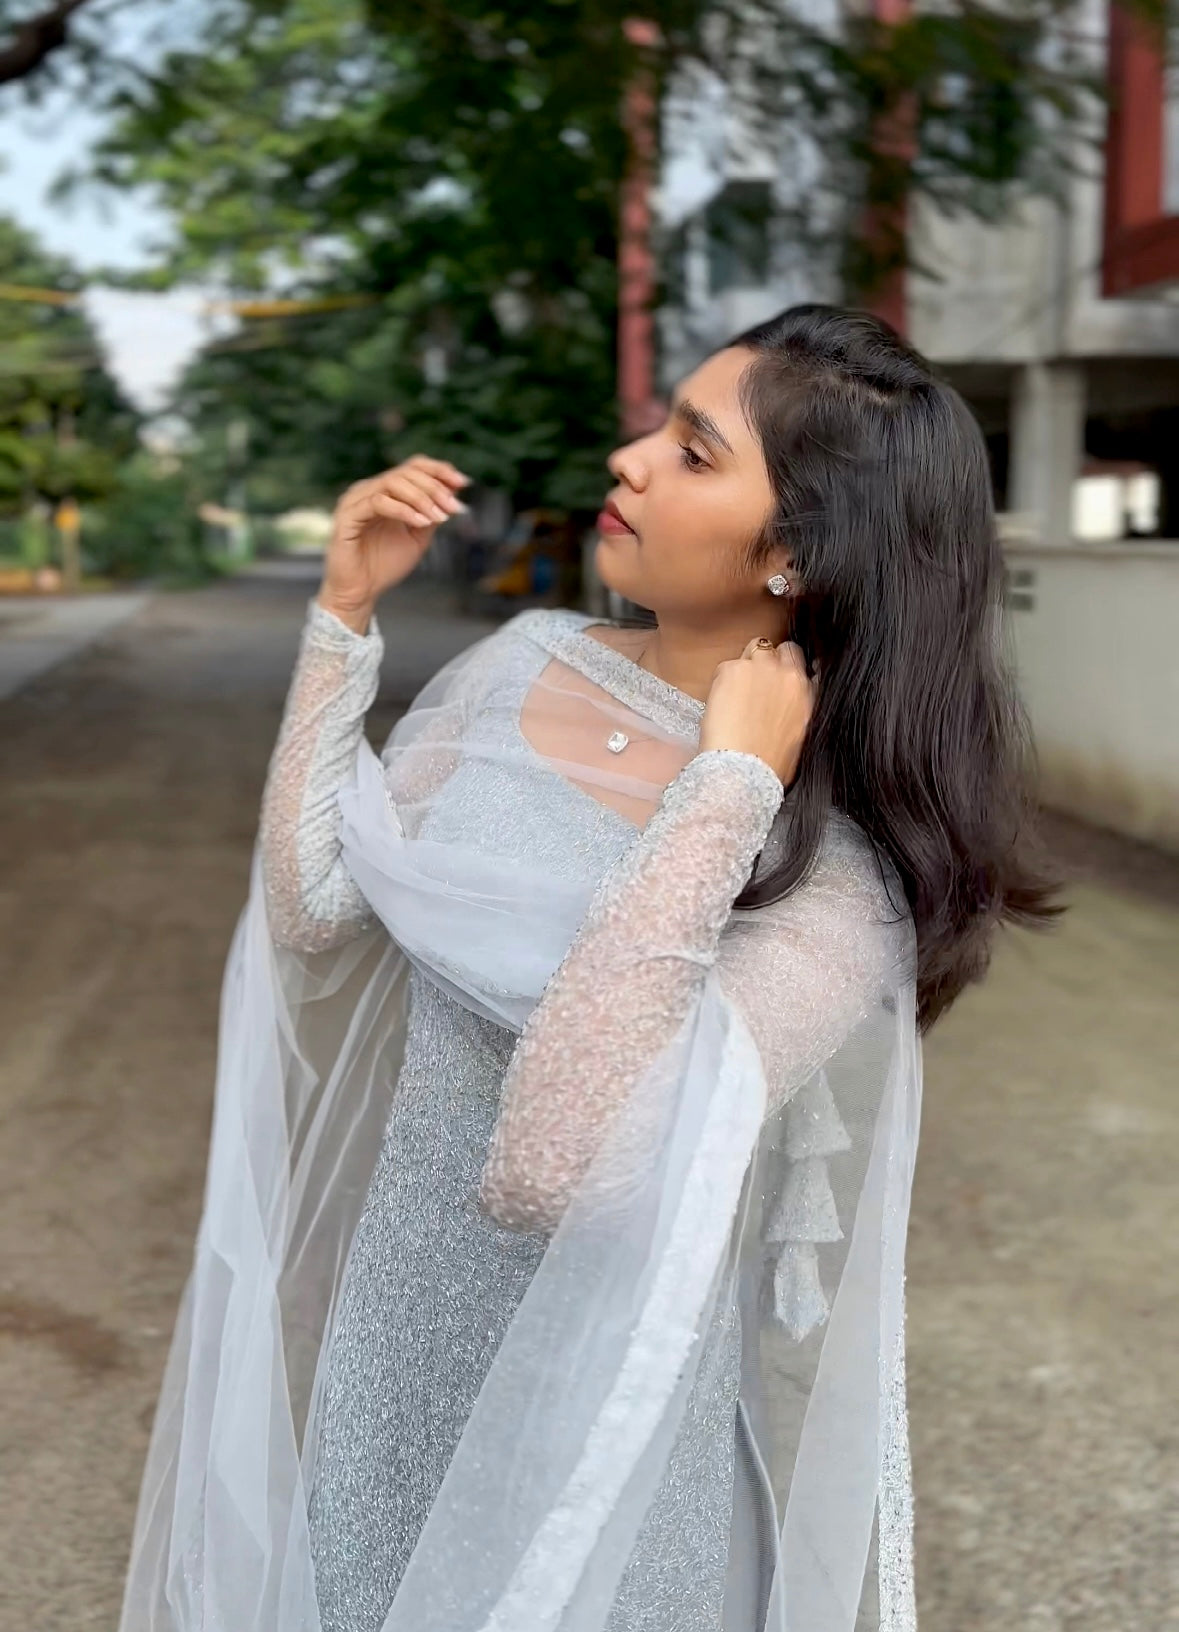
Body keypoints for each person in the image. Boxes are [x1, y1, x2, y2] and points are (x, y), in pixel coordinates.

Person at [118, 305, 1060, 1632]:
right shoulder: (524, 663)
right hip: (397, 1343)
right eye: (659, 427)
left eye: (692, 451)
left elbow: (557, 1165)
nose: (628, 458)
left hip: (600, 1414)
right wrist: (342, 619)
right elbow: (316, 906)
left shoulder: (835, 877)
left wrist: (726, 788)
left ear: (797, 549)